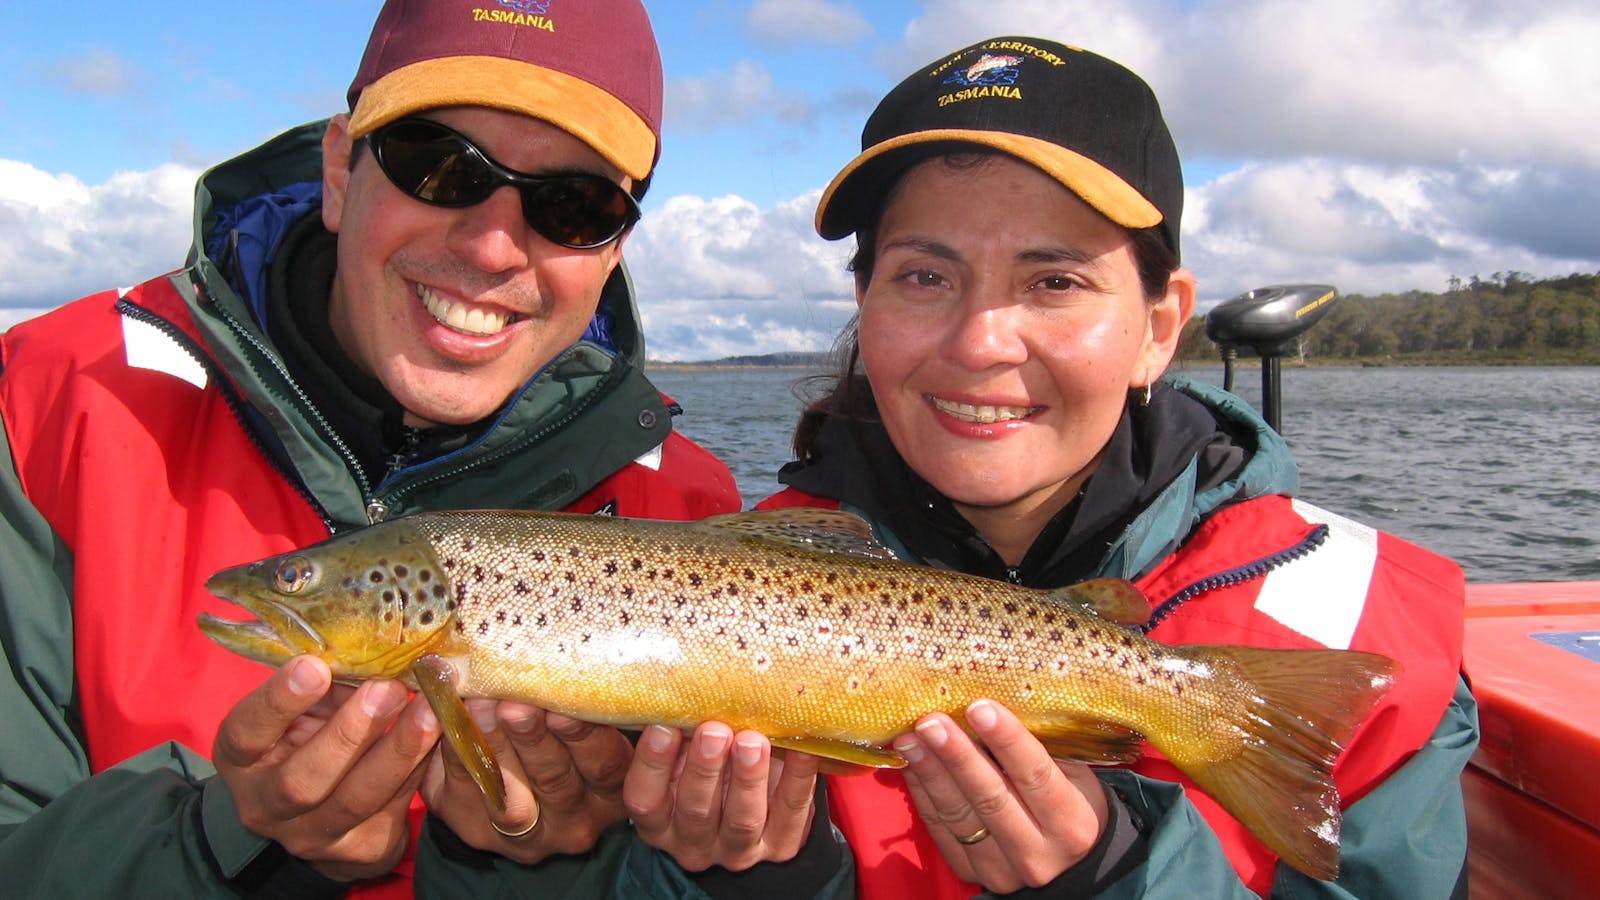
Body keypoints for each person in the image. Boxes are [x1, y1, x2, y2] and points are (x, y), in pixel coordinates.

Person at [0, 1, 850, 897]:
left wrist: (540, 873)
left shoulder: (685, 500)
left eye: (573, 204)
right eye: (438, 165)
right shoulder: (43, 406)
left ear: (613, 249)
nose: (490, 245)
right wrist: (219, 844)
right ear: (340, 166)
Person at [759, 36, 1475, 898]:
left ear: (1161, 326)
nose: (981, 342)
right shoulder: (721, 579)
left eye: (1054, 282)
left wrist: (1127, 875)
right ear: (864, 303)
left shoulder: (1370, 628)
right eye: (923, 275)